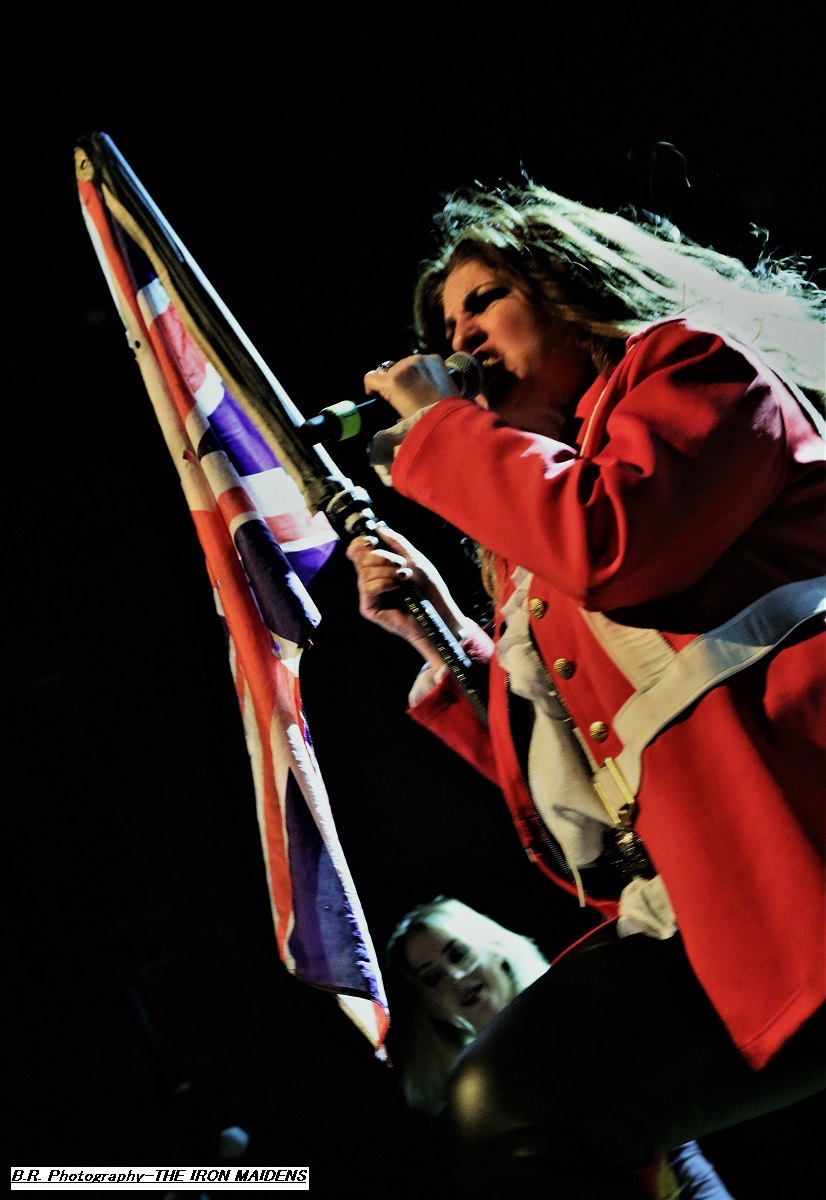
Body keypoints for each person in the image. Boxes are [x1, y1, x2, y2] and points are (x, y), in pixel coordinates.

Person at [345, 179, 826, 1197]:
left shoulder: (699, 369)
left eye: (484, 301)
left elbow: (612, 545)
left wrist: (441, 432)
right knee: (511, 1103)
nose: (461, 339)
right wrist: (440, 630)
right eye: (447, 327)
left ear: (571, 289)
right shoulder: (547, 512)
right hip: (717, 898)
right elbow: (579, 766)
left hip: (804, 851)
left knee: (530, 1101)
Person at [386, 895, 735, 1199]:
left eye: (459, 953)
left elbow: (679, 1152)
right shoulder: (464, 1115)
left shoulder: (579, 1013)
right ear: (432, 1008)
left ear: (492, 947)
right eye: (433, 977)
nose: (456, 977)